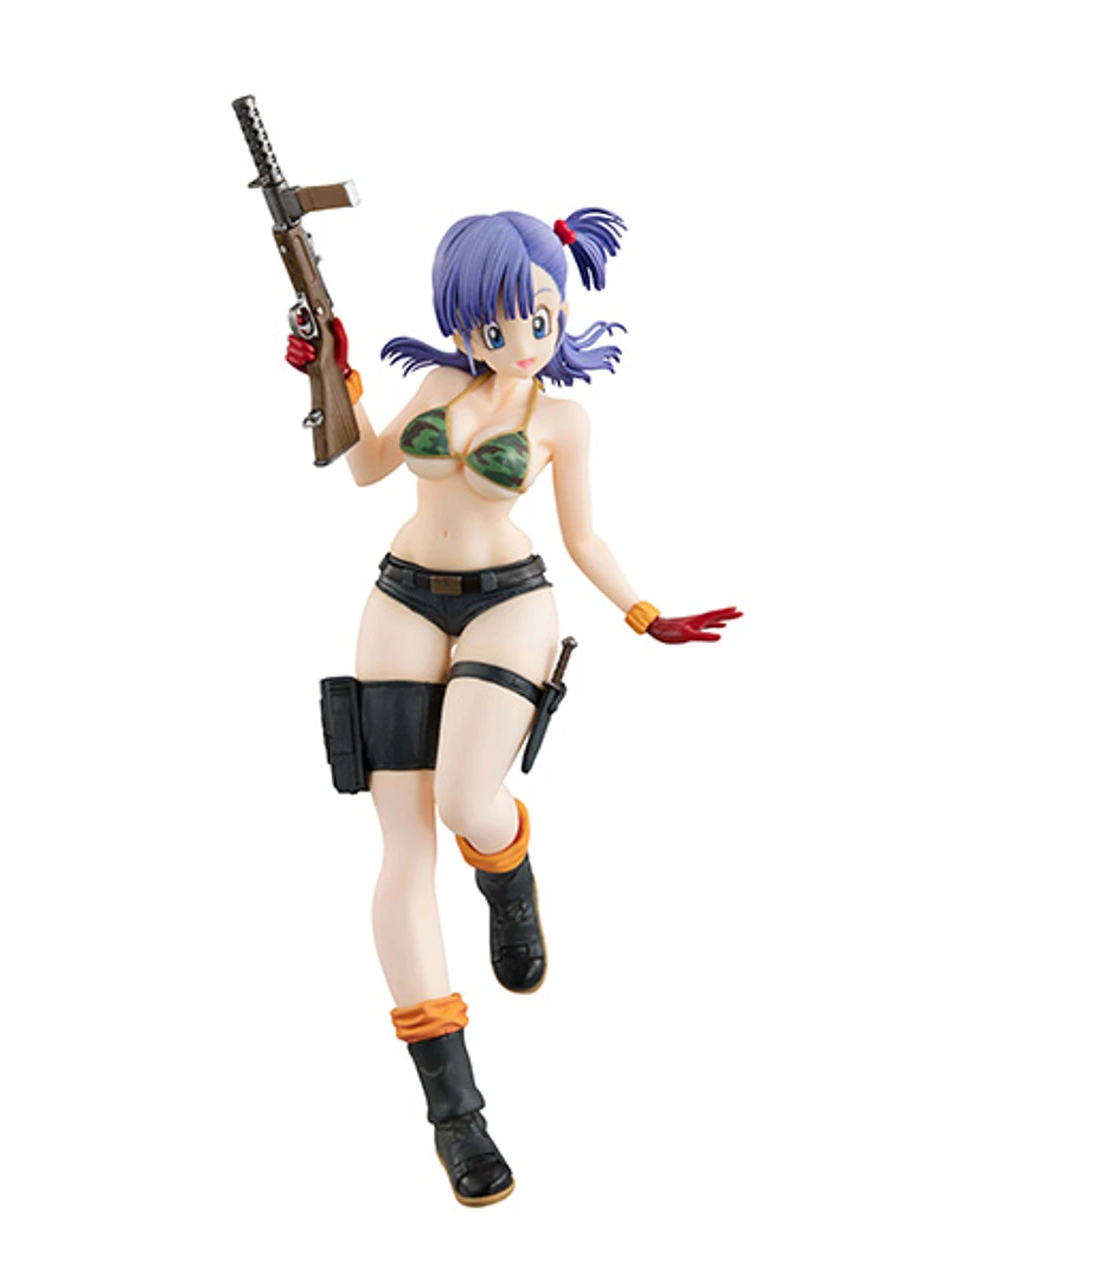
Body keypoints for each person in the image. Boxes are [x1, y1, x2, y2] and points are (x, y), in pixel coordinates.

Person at [287, 207, 741, 1206]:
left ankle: (507, 871)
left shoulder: (563, 421)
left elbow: (583, 538)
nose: (520, 340)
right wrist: (332, 376)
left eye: (537, 318)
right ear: (460, 320)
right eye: (494, 324)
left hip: (510, 602)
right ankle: (456, 1115)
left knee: (464, 802)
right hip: (401, 595)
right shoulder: (436, 387)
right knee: (403, 848)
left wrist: (642, 611)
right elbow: (366, 467)